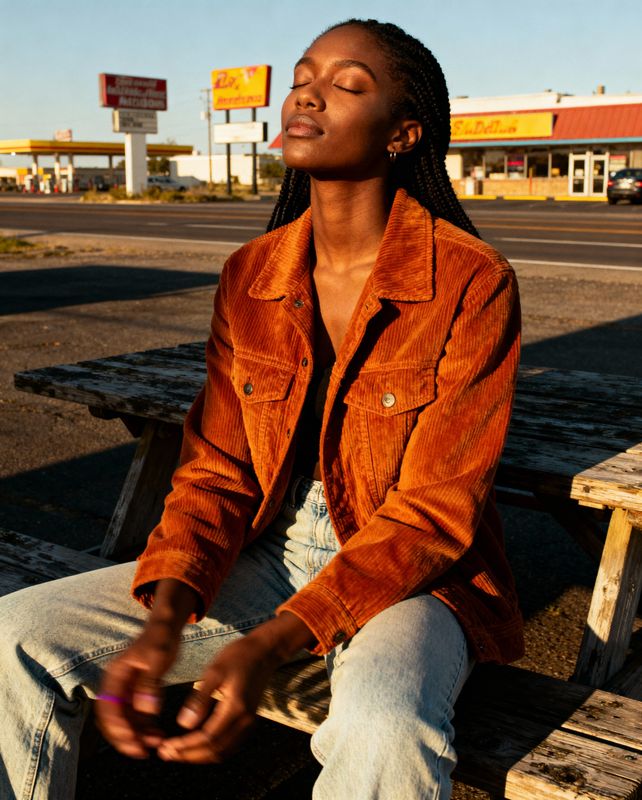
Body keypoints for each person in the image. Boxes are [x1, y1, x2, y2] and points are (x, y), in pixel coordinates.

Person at [0, 18, 523, 800]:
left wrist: (271, 645)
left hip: (407, 580)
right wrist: (167, 619)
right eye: (304, 75)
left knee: (383, 723)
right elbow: (216, 470)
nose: (308, 92)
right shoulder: (252, 274)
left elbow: (433, 515)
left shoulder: (471, 281)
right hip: (263, 555)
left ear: (404, 133)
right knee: (14, 635)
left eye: (348, 84)